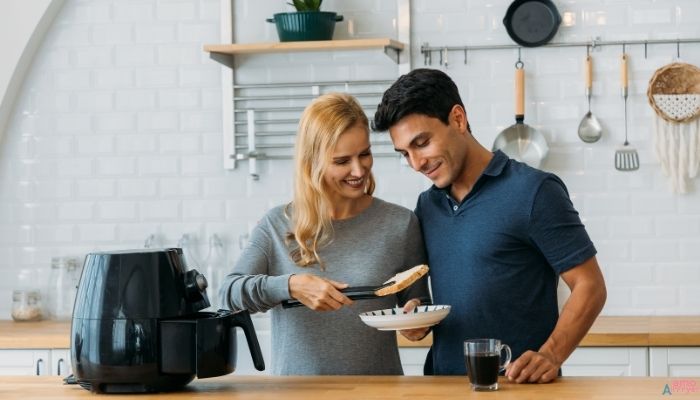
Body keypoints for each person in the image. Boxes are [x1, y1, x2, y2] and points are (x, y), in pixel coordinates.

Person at [373, 68, 607, 383]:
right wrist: (419, 314)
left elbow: (590, 285)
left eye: (422, 143)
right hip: (443, 386)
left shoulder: (534, 192)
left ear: (457, 119)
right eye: (405, 153)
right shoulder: (427, 206)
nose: (416, 163)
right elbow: (442, 296)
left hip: (518, 387)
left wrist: (551, 354)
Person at [220, 92, 430, 375]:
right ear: (312, 162)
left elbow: (418, 303)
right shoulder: (276, 225)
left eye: (365, 154)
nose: (359, 170)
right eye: (342, 161)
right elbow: (229, 294)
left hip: (379, 393)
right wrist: (290, 286)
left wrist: (417, 320)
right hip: (297, 396)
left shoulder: (399, 223)